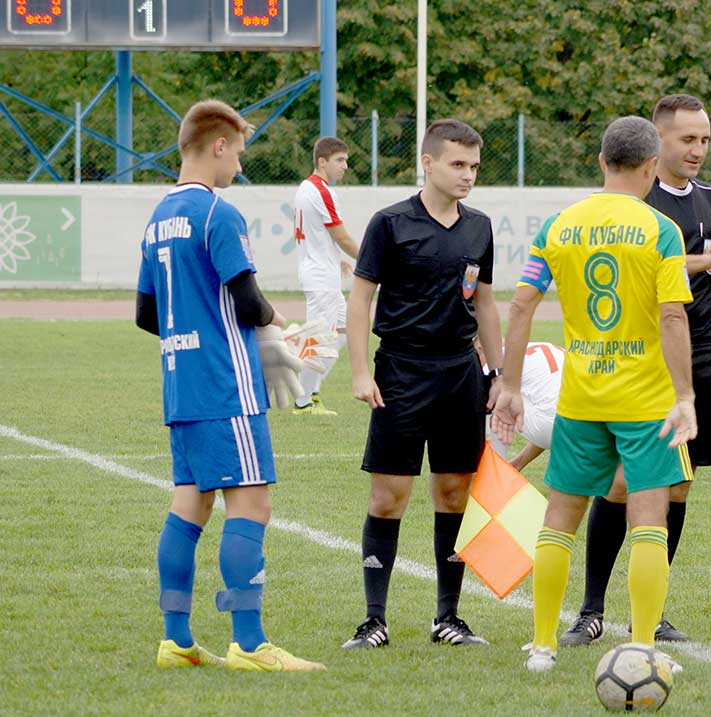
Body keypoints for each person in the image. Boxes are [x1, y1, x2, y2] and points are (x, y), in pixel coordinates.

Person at [491, 116, 697, 673]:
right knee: (649, 520)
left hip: (580, 396)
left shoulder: (558, 226)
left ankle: (542, 646)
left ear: (602, 161)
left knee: (560, 517)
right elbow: (672, 315)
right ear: (652, 166)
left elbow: (521, 304)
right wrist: (685, 396)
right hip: (646, 401)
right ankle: (645, 648)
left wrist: (509, 385)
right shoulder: (661, 230)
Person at [557, 93, 711, 648]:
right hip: (639, 358)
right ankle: (591, 609)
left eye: (705, 140)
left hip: (699, 357)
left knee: (678, 486)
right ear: (656, 142)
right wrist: (707, 259)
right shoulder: (634, 200)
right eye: (687, 139)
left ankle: (652, 609)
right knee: (622, 484)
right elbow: (652, 268)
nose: (698, 150)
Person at [137, 99, 324, 672]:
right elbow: (246, 300)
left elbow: (146, 314)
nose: (239, 165)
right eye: (238, 153)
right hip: (226, 386)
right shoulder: (219, 213)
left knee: (190, 504)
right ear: (217, 145)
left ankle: (176, 640)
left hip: (181, 384)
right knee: (252, 505)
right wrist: (278, 328)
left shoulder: (158, 217)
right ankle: (249, 643)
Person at [342, 119, 503, 649]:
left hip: (460, 374)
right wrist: (361, 371)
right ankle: (373, 620)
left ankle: (448, 617)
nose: (468, 175)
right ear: (427, 163)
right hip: (402, 372)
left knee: (455, 493)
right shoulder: (390, 223)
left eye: (474, 166)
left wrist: (497, 375)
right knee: (389, 496)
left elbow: (484, 302)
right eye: (458, 164)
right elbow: (361, 298)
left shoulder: (479, 227)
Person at [291, 135, 360, 415]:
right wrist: (371, 261)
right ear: (322, 162)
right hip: (321, 278)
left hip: (321, 273)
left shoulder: (306, 188)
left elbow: (318, 234)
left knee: (343, 332)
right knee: (320, 338)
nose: (345, 166)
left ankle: (311, 393)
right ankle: (302, 401)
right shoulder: (321, 191)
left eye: (346, 160)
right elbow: (341, 236)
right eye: (339, 160)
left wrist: (337, 259)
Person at [477, 339, 564, 470]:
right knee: (544, 402)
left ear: (481, 349)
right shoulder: (543, 346)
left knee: (497, 401)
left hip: (550, 426)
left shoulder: (494, 362)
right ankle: (516, 465)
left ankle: (499, 470)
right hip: (577, 426)